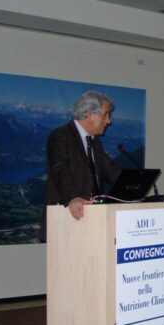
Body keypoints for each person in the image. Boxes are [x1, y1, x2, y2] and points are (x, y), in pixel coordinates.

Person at [39, 91, 122, 242]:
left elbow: (110, 170)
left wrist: (133, 186)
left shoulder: (94, 141)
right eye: (106, 115)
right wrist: (73, 197)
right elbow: (60, 169)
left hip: (92, 218)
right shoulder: (60, 136)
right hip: (67, 217)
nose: (108, 121)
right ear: (90, 114)